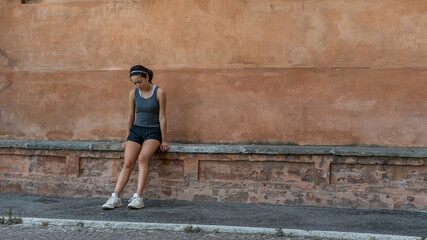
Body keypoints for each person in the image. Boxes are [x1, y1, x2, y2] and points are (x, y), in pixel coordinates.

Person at [102, 65, 170, 210]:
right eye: (135, 83)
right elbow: (131, 116)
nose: (138, 85)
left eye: (140, 82)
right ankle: (115, 197)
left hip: (153, 131)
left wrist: (164, 140)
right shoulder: (133, 93)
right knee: (127, 163)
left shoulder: (159, 92)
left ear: (147, 77)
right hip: (136, 131)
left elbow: (162, 117)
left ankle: (138, 198)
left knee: (142, 159)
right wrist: (127, 138)